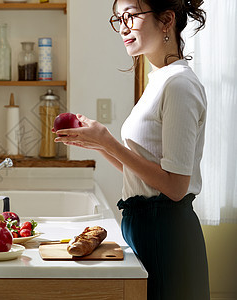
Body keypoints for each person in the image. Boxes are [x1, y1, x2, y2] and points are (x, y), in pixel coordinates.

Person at [54, 0, 209, 299]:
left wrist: (110, 142)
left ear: (166, 20)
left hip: (167, 235)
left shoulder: (179, 85)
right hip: (147, 229)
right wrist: (99, 144)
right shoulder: (159, 81)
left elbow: (175, 187)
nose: (123, 26)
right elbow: (145, 174)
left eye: (131, 16)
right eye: (118, 19)